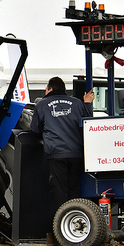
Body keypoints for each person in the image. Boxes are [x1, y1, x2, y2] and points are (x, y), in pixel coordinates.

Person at [30, 76, 94, 209]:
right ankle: (75, 222)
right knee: (74, 189)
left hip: (56, 153)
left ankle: (61, 225)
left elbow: (35, 129)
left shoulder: (41, 104)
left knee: (60, 190)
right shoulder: (77, 103)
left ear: (50, 89)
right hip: (76, 153)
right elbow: (89, 124)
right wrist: (87, 103)